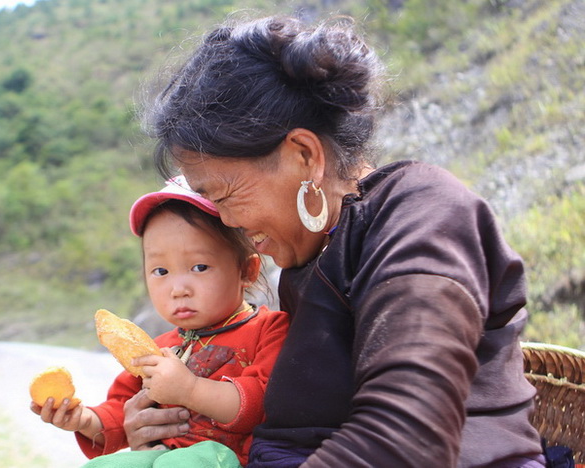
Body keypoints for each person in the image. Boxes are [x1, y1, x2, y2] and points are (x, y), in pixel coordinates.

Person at [124, 14, 547, 468]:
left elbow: (403, 440)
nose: (227, 221)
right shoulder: (310, 256)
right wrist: (168, 432)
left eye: (225, 195)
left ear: (304, 156)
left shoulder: (423, 216)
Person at [31, 176, 290, 468]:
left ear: (247, 270)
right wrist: (84, 420)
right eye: (160, 271)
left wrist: (189, 389)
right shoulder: (159, 348)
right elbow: (122, 409)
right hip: (161, 455)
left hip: (223, 458)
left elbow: (264, 404)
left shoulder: (269, 329)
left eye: (199, 267)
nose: (178, 288)